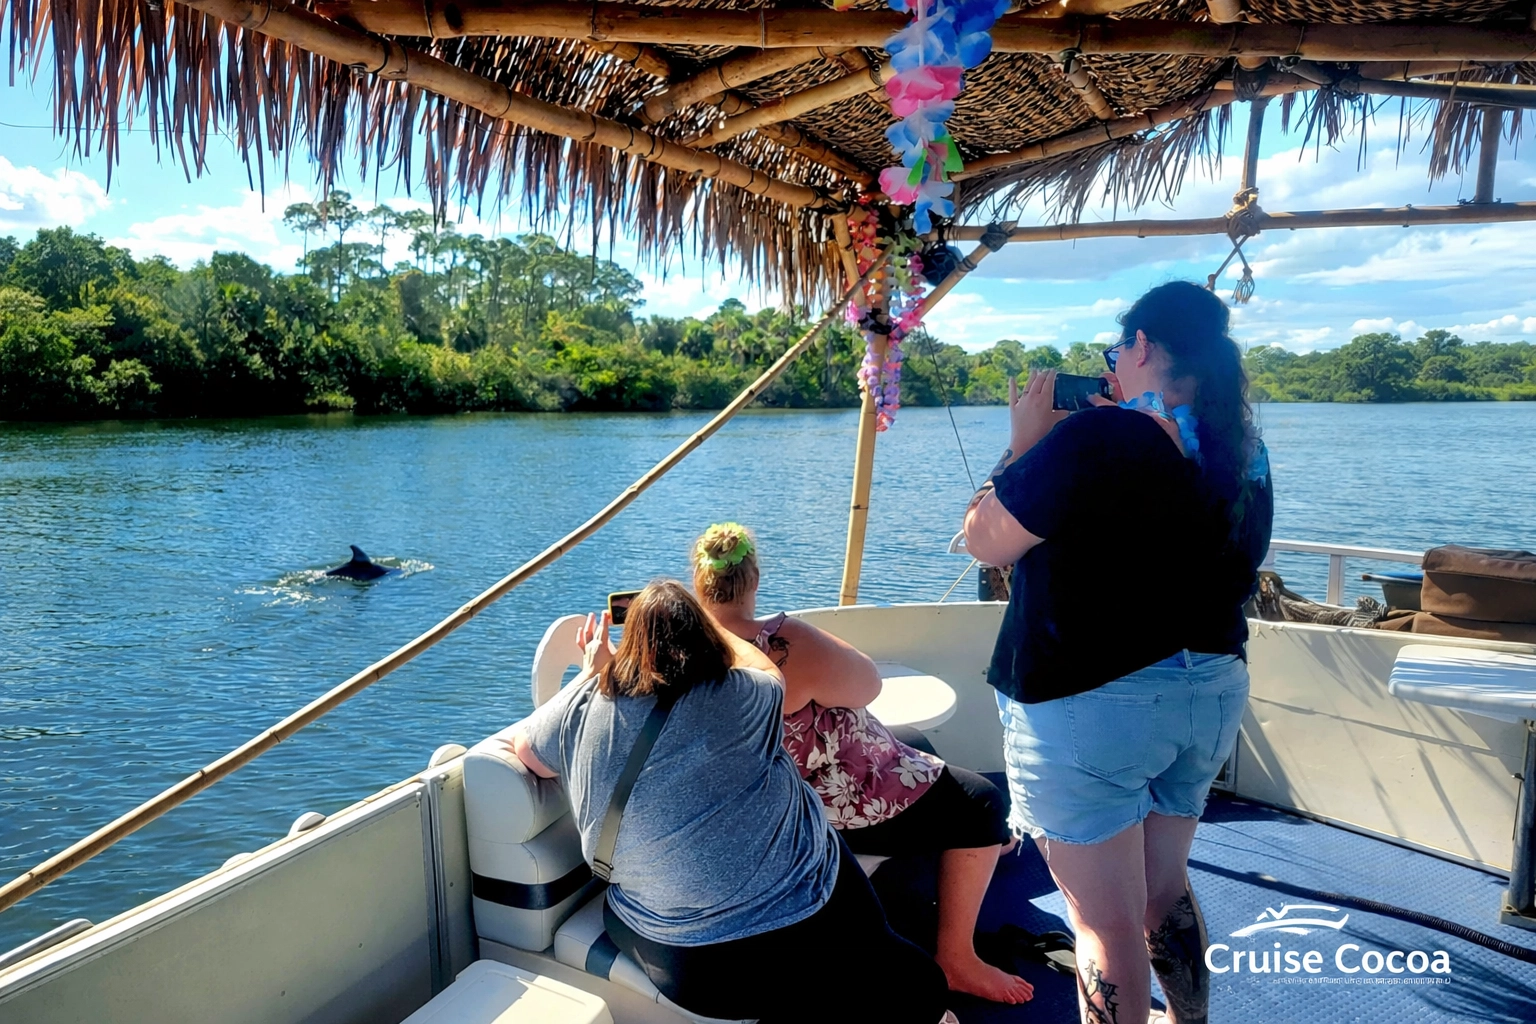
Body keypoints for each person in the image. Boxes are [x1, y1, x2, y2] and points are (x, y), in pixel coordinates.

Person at [963, 282, 1273, 1024]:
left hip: (1094, 702)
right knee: (1162, 889)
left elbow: (985, 539)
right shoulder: (1243, 449)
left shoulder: (1094, 440)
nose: (1110, 367)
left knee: (1101, 921)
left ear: (1141, 348)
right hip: (1209, 692)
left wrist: (1025, 440)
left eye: (1115, 351)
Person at [505, 579, 953, 1024]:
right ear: (701, 632)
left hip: (692, 970)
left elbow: (530, 755)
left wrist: (593, 673)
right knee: (910, 976)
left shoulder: (583, 702)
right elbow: (768, 670)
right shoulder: (743, 693)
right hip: (801, 925)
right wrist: (716, 623)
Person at [693, 523, 1034, 1006]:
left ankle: (970, 848)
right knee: (983, 801)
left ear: (699, 584)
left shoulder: (687, 650)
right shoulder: (783, 642)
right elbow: (868, 686)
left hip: (770, 805)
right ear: (752, 580)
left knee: (914, 742)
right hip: (826, 813)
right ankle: (957, 958)